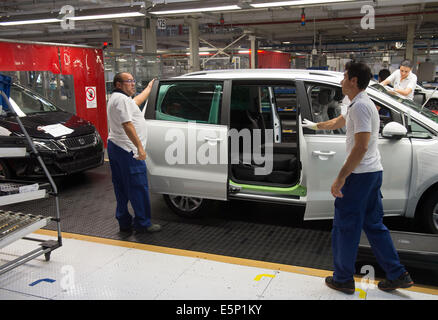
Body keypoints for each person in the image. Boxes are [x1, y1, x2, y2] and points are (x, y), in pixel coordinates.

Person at [302, 61, 413, 294]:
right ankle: (397, 274)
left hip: (360, 176)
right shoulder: (355, 103)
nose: (341, 81)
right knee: (374, 225)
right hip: (372, 174)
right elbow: (339, 121)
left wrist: (341, 177)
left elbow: (361, 146)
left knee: (345, 227)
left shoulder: (361, 106)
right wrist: (316, 125)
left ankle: (342, 278)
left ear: (353, 81)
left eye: (344, 77)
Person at [107, 72, 161, 233]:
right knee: (138, 187)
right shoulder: (122, 100)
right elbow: (127, 125)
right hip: (128, 150)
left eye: (133, 81)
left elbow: (136, 101)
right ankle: (143, 223)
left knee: (121, 188)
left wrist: (149, 88)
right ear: (118, 84)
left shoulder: (118, 99)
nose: (132, 84)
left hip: (116, 146)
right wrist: (140, 148)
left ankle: (124, 222)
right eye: (129, 81)